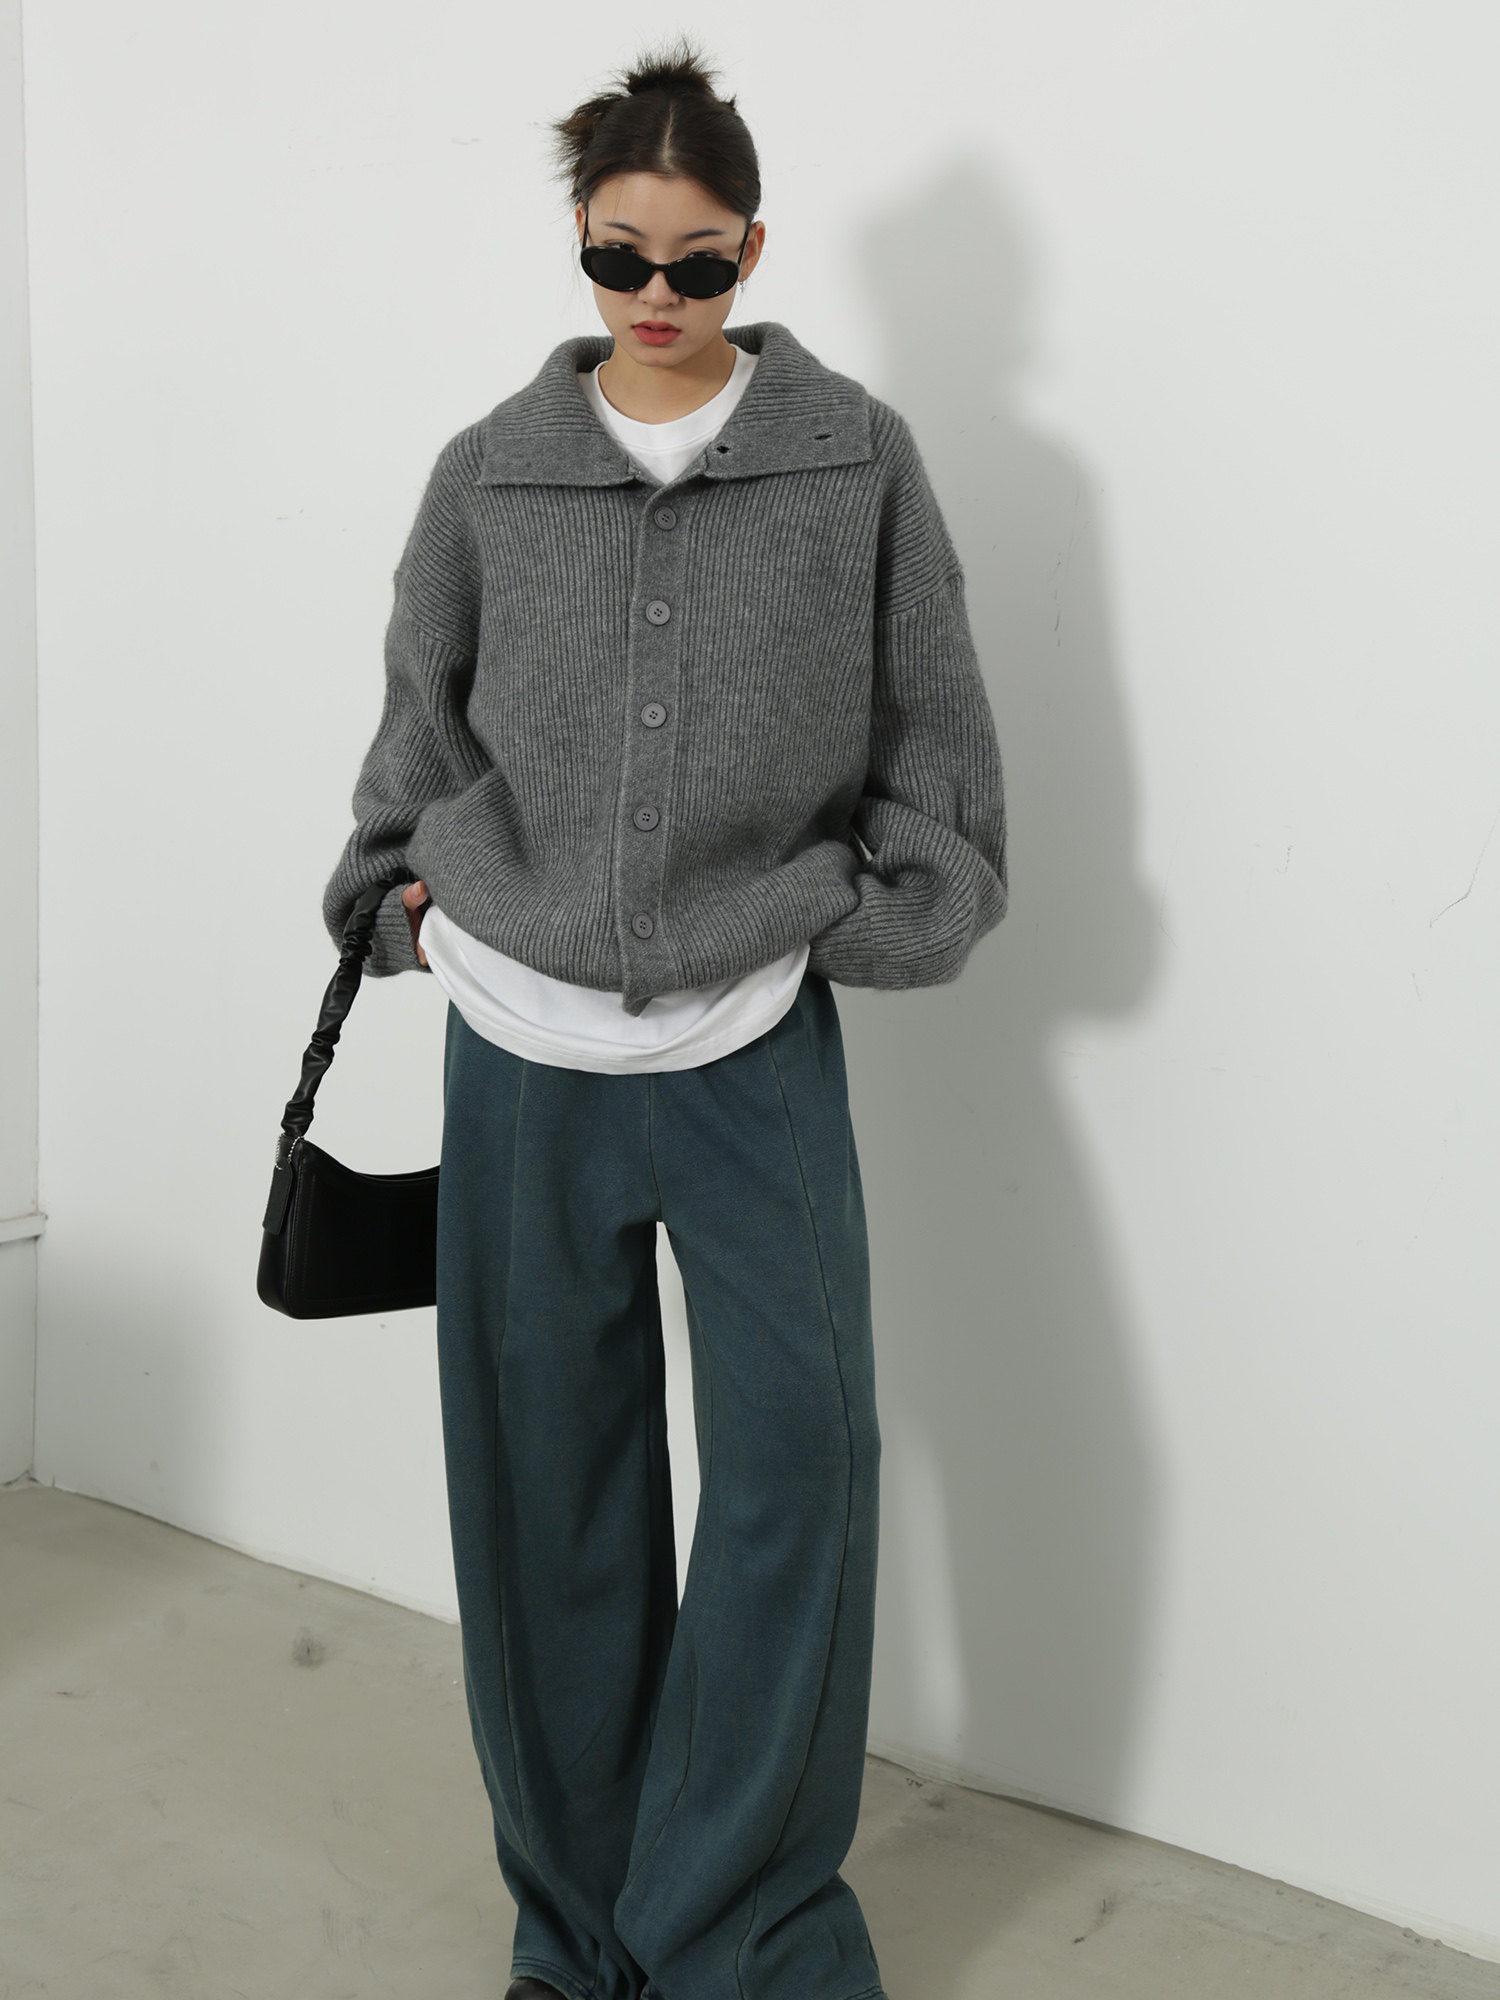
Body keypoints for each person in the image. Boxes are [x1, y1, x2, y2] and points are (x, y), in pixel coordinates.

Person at [321, 37, 1007, 2000]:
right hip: (518, 1054)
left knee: (803, 1471)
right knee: (546, 1499)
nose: (655, 295)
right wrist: (402, 899)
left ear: (752, 251)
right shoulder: (490, 473)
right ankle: (578, 1939)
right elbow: (416, 739)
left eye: (697, 263)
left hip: (750, 1048)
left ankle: (745, 1931)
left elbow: (937, 744)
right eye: (619, 256)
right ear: (580, 239)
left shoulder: (853, 460)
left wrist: (865, 915)